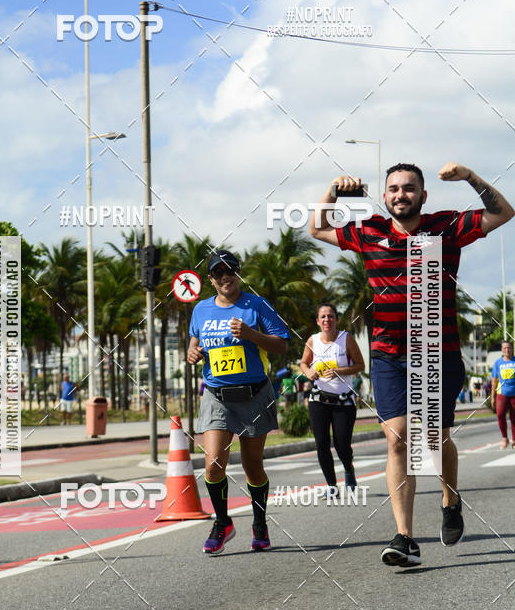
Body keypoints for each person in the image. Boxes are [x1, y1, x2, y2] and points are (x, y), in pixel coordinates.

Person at [310, 161, 514, 567]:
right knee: (398, 438)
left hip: (439, 352)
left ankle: (450, 502)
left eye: (409, 188)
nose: (400, 194)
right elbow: (317, 228)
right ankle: (405, 537)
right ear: (384, 197)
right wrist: (333, 188)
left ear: (423, 195)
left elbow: (503, 213)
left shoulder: (446, 228)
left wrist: (471, 178)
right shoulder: (370, 231)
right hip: (388, 355)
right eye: (394, 189)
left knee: (433, 441)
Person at [188, 249, 289, 555]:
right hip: (217, 396)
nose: (224, 276)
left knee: (252, 467)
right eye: (218, 273)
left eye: (229, 270)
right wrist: (192, 354)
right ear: (211, 279)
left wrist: (250, 334)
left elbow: (282, 344)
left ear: (237, 272)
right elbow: (194, 343)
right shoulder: (201, 310)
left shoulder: (256, 305)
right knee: (213, 463)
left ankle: (260, 523)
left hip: (253, 395)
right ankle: (222, 522)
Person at [299, 303, 365, 493]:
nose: (327, 320)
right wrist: (308, 372)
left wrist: (339, 371)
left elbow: (360, 365)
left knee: (342, 443)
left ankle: (348, 468)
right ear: (318, 321)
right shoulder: (312, 340)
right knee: (321, 443)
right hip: (319, 398)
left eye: (331, 316)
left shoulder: (346, 339)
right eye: (323, 317)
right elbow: (304, 362)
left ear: (336, 319)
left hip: (343, 400)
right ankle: (331, 485)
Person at [490, 340, 515, 448]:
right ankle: (505, 438)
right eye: (504, 348)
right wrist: (492, 396)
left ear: (512, 349)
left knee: (514, 418)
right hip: (502, 393)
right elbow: (494, 380)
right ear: (501, 350)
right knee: (500, 415)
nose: (507, 350)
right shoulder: (498, 363)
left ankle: (514, 439)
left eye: (509, 348)